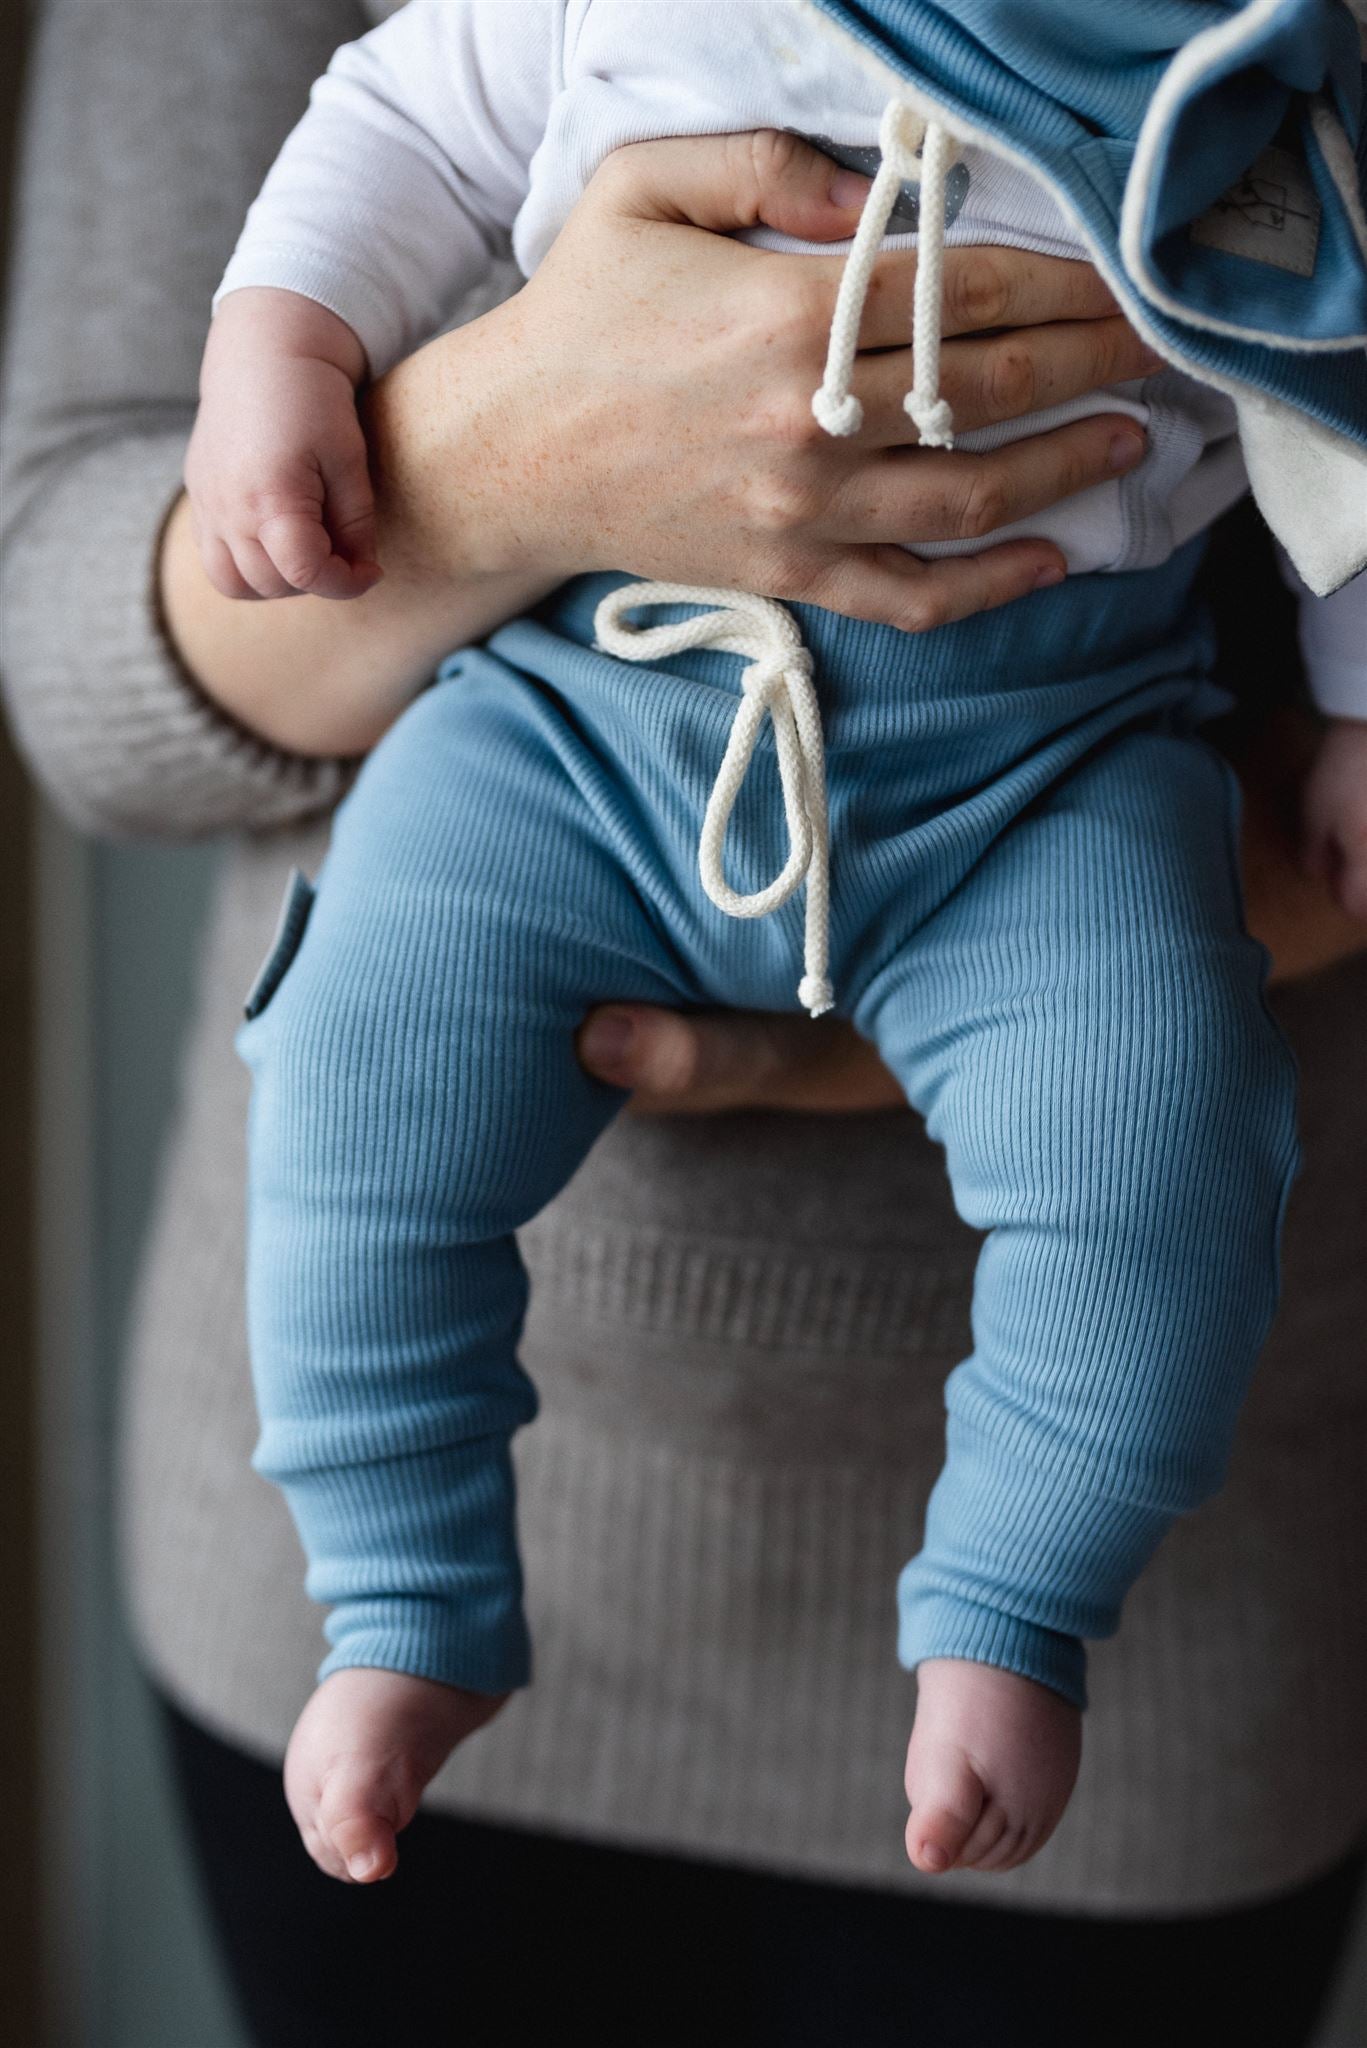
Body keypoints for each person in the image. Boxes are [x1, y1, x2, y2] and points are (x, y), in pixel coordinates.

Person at [1, 3, 1364, 2044]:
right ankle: (396, 1595)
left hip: (1061, 760)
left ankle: (1018, 1601)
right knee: (369, 1046)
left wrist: (1351, 704)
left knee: (1156, 1123)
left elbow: (1334, 367)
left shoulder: (1224, 49)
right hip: (580, 706)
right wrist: (293, 364)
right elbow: (398, 123)